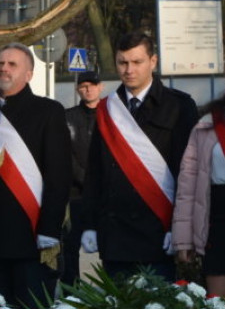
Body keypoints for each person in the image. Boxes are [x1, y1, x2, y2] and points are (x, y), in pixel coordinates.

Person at [82, 32, 199, 281]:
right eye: (122, 62)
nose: (129, 70)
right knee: (117, 305)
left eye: (137, 62)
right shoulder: (107, 108)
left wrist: (179, 228)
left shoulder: (179, 106)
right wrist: (89, 224)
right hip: (116, 234)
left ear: (153, 61)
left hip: (159, 230)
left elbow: (188, 173)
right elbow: (95, 172)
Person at [0, 44, 71, 309]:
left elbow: (58, 176)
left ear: (29, 74)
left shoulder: (48, 111)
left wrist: (49, 229)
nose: (3, 68)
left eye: (12, 64)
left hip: (30, 237)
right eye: (0, 63)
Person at [172, 59, 225, 297]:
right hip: (220, 221)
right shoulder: (208, 124)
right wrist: (183, 239)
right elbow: (188, 186)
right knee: (220, 305)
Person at [62, 70, 103, 285]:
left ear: (100, 87)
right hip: (75, 194)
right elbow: (64, 153)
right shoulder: (67, 117)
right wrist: (85, 180)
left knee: (111, 246)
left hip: (104, 193)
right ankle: (71, 291)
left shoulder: (111, 116)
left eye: (92, 85)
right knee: (70, 247)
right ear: (78, 89)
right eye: (84, 86)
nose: (88, 90)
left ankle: (115, 292)